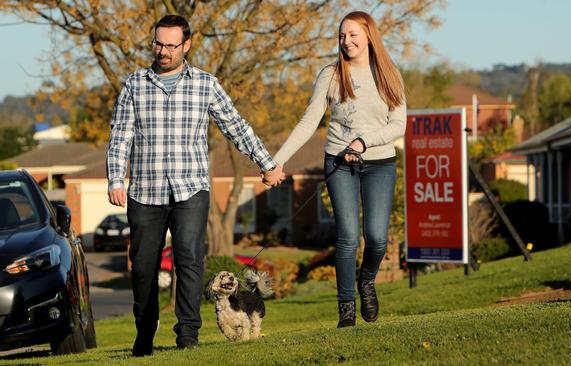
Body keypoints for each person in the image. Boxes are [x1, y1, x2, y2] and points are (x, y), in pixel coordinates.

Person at [106, 15, 284, 356]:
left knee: (189, 259)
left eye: (171, 45)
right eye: (159, 44)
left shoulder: (205, 84)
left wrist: (267, 163)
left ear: (186, 45)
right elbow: (120, 137)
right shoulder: (134, 84)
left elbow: (236, 125)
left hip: (191, 188)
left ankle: (188, 334)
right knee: (143, 266)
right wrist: (116, 178)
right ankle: (144, 333)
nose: (163, 51)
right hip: (145, 190)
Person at [274, 11, 406, 328]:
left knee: (376, 239)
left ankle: (367, 281)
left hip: (379, 163)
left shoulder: (390, 74)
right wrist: (278, 159)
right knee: (347, 237)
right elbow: (309, 122)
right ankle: (346, 309)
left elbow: (398, 125)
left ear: (369, 36)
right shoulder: (332, 75)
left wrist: (363, 141)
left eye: (353, 35)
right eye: (342, 36)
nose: (346, 41)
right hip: (338, 162)